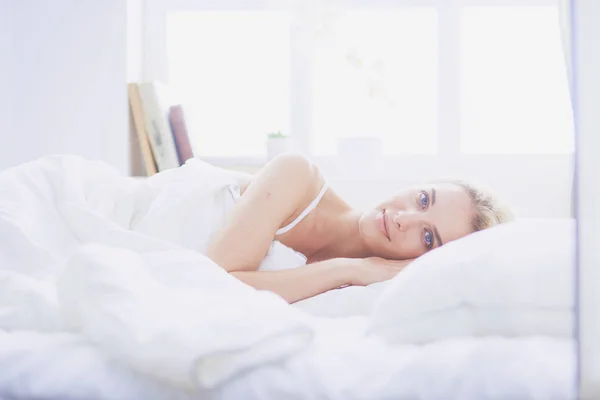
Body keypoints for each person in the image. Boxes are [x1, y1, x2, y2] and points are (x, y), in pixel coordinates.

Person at [207, 153, 512, 304]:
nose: (403, 219)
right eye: (422, 199)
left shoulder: (370, 290)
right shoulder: (296, 174)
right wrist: (351, 268)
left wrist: (356, 272)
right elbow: (210, 284)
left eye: (428, 236)